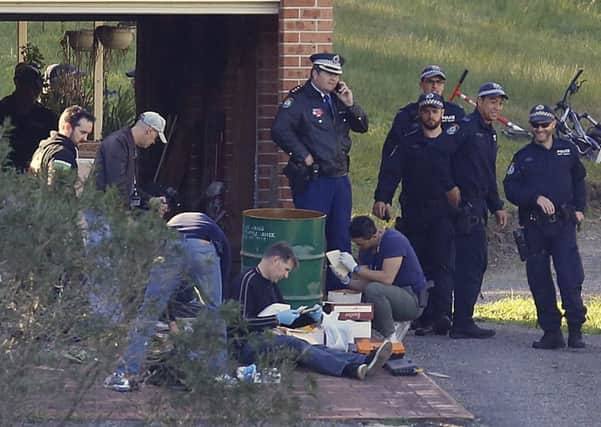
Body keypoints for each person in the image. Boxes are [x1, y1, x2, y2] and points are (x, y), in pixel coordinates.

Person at [271, 53, 369, 292]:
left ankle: (337, 293)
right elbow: (280, 129)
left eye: (337, 75)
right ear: (315, 73)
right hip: (315, 179)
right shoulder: (300, 99)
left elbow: (363, 126)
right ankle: (306, 291)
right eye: (328, 74)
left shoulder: (338, 99)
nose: (333, 79)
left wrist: (350, 103)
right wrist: (303, 155)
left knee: (340, 241)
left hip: (339, 177)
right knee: (310, 239)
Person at [104, 212, 231, 391]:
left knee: (149, 310)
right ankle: (218, 374)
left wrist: (169, 318)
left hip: (171, 245)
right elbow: (222, 276)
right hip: (203, 245)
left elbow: (160, 291)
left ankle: (124, 374)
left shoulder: (170, 225)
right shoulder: (218, 236)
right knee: (215, 311)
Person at [230, 241, 392, 381]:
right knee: (295, 345)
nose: (286, 276)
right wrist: (277, 320)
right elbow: (239, 322)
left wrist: (310, 317)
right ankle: (349, 369)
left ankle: (364, 360)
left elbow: (288, 320)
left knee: (311, 346)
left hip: (270, 336)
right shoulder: (247, 280)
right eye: (286, 269)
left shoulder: (271, 285)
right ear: (275, 260)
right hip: (246, 345)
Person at [503, 104, 587, 349]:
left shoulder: (567, 150)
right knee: (539, 278)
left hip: (563, 225)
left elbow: (579, 179)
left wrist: (580, 209)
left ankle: (575, 330)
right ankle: (551, 331)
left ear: (553, 124)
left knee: (569, 276)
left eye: (544, 124)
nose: (540, 129)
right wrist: (534, 198)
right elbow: (510, 188)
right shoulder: (523, 156)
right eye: (535, 125)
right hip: (534, 227)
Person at [372, 93, 455, 336]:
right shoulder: (408, 141)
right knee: (418, 264)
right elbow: (391, 171)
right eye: (426, 111)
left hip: (443, 213)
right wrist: (383, 198)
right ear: (419, 113)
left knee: (443, 264)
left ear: (442, 114)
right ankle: (421, 315)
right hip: (414, 210)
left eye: (435, 111)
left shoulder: (451, 143)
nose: (430, 116)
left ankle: (442, 315)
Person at [431, 82, 509, 339]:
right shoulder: (464, 127)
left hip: (479, 203)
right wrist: (450, 188)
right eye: (491, 102)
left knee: (476, 263)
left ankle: (463, 318)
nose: (496, 107)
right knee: (464, 263)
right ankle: (459, 321)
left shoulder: (490, 132)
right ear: (478, 102)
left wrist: (496, 205)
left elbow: (487, 172)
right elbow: (439, 153)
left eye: (500, 102)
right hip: (460, 205)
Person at [335, 216, 427, 342]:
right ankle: (391, 326)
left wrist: (356, 268)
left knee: (374, 290)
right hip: (392, 293)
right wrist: (347, 281)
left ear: (373, 236)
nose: (359, 247)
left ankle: (391, 337)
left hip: (412, 299)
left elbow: (387, 278)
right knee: (365, 298)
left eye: (360, 244)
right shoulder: (367, 249)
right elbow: (366, 284)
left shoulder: (394, 241)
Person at [378, 64, 464, 162]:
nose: (434, 86)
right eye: (430, 82)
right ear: (421, 85)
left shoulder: (456, 112)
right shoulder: (406, 114)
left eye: (439, 82)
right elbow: (391, 148)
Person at [94, 111, 168, 210]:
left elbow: (130, 186)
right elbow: (116, 186)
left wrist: (150, 200)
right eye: (156, 137)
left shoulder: (128, 145)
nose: (154, 142)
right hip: (102, 211)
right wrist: (125, 216)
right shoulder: (118, 143)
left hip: (109, 211)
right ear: (149, 131)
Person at [0, 62, 57, 172]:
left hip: (35, 174)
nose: (29, 92)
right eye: (25, 86)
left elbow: (56, 146)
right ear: (17, 84)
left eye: (34, 88)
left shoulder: (46, 116)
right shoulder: (3, 110)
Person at [29, 105, 95, 185]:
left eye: (87, 134)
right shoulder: (62, 155)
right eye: (82, 133)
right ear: (67, 127)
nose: (85, 139)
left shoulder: (42, 149)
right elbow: (60, 191)